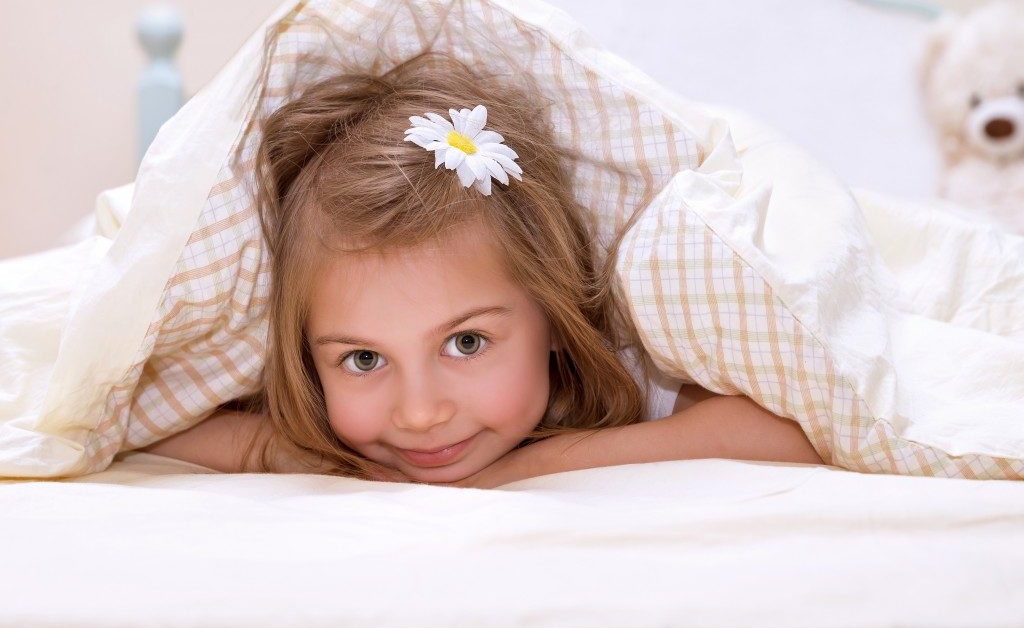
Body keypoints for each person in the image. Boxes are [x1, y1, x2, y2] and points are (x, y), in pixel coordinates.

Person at [143, 51, 822, 487]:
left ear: (552, 316)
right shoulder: (325, 419)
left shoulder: (637, 360)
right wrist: (293, 453)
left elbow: (789, 428)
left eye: (466, 342)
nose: (419, 413)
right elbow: (149, 414)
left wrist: (525, 469)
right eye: (362, 360)